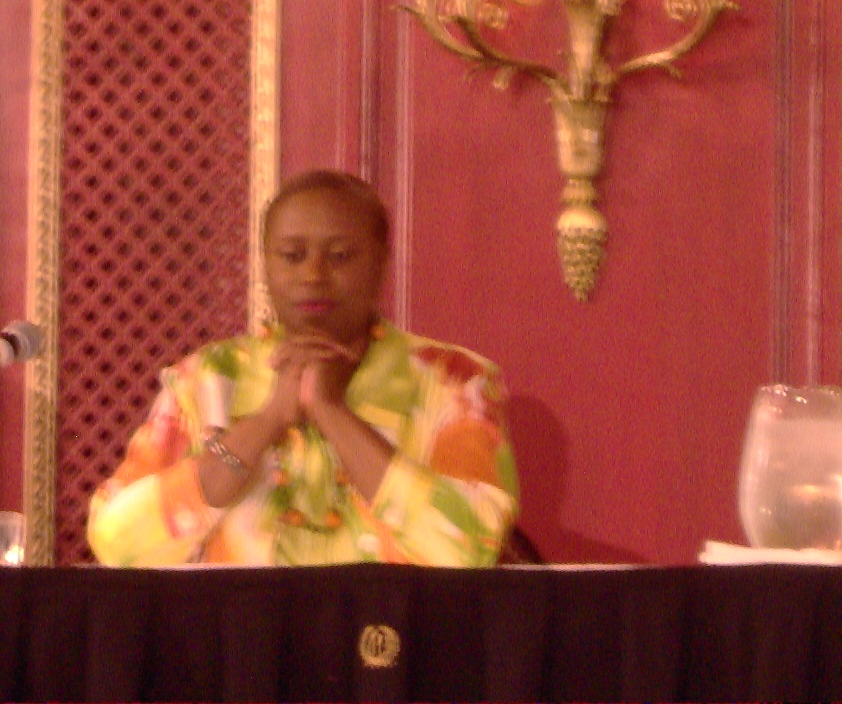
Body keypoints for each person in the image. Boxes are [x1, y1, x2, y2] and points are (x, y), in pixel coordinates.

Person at [87, 169, 519, 567]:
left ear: (382, 262)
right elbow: (115, 542)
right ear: (266, 264)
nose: (313, 275)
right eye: (292, 256)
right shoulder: (207, 376)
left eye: (340, 256)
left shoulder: (454, 381)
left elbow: (472, 545)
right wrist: (263, 424)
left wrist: (331, 411)